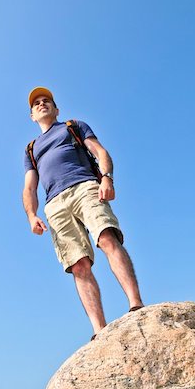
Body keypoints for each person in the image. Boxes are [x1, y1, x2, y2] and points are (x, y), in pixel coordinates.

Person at [23, 86, 144, 340]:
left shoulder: (73, 126)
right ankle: (99, 330)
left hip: (85, 186)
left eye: (47, 101)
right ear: (32, 116)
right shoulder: (31, 149)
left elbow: (100, 152)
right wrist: (32, 215)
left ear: (56, 109)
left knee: (107, 238)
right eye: (37, 104)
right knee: (78, 265)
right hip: (54, 204)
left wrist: (107, 178)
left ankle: (136, 305)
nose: (42, 104)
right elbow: (30, 186)